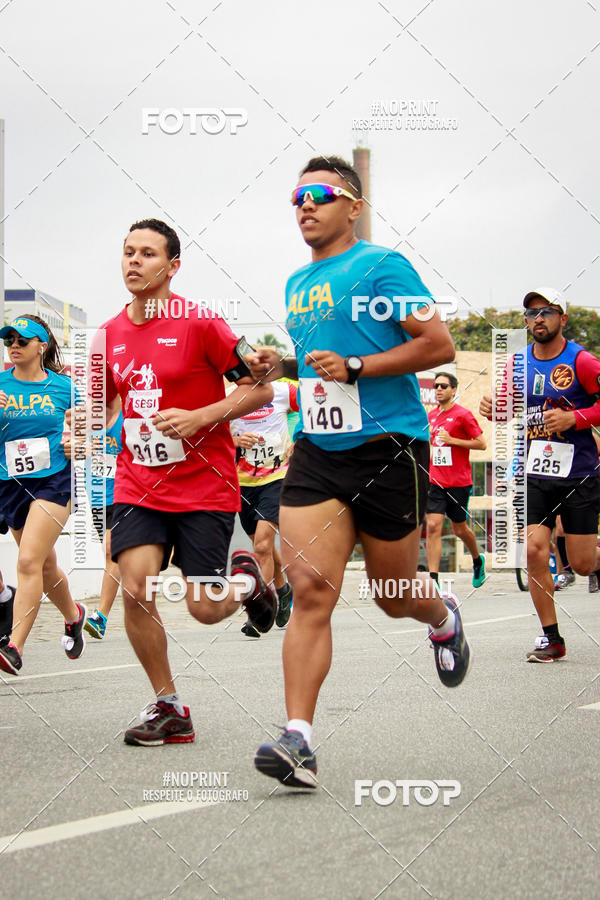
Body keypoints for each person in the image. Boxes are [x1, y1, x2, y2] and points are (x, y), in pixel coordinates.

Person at [247, 156, 471, 789]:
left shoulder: (382, 265)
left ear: (353, 205)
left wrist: (358, 367)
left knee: (392, 594)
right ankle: (298, 739)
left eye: (319, 194)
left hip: (388, 447)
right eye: (297, 197)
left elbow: (438, 345)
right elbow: (319, 365)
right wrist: (280, 365)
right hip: (319, 450)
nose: (305, 205)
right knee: (311, 588)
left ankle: (442, 617)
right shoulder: (297, 282)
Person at [94, 218, 276, 745]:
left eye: (147, 253)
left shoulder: (202, 324)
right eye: (128, 251)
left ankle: (248, 584)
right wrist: (82, 424)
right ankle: (169, 706)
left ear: (173, 266)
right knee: (135, 587)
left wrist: (203, 416)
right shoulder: (108, 334)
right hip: (139, 482)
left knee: (204, 608)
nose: (134, 261)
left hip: (204, 483)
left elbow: (260, 390)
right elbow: (104, 405)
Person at [480, 287, 600, 662]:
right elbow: (506, 408)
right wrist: (493, 408)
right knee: (534, 549)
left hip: (578, 472)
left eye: (546, 312)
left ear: (562, 318)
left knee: (582, 563)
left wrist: (575, 418)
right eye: (532, 314)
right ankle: (552, 638)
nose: (538, 319)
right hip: (535, 470)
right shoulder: (517, 362)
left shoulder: (582, 361)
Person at [0, 315, 86, 675]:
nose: (14, 346)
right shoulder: (0, 384)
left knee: (27, 562)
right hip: (10, 484)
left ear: (42, 346)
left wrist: (78, 443)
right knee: (45, 566)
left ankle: (14, 646)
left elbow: (88, 433)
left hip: (53, 481)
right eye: (9, 341)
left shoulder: (64, 388)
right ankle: (74, 615)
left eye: (22, 340)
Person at [230, 378, 298, 637]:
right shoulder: (230, 397)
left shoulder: (283, 390)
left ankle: (260, 610)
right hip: (243, 482)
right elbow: (212, 432)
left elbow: (312, 407)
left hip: (277, 478)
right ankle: (282, 589)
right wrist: (235, 440)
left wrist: (300, 437)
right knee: (263, 546)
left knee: (261, 545)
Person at [426, 372, 487, 588]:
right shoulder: (431, 416)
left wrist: (453, 440)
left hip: (459, 482)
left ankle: (478, 560)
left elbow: (482, 444)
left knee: (459, 529)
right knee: (433, 526)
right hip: (436, 481)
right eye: (436, 386)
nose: (438, 389)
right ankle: (433, 579)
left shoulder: (463, 415)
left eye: (443, 386)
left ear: (453, 390)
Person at [83, 403, 124, 639]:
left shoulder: (129, 412)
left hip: (125, 493)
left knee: (111, 550)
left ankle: (100, 617)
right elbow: (69, 442)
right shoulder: (87, 412)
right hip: (98, 495)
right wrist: (80, 445)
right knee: (112, 555)